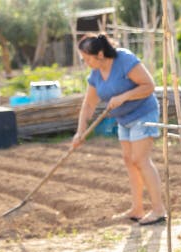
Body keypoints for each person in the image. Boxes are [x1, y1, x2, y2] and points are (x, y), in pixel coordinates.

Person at [74, 33, 167, 226]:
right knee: (128, 160)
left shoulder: (124, 60)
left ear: (99, 54)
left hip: (144, 113)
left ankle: (159, 210)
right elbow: (88, 105)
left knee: (140, 159)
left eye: (86, 58)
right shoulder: (96, 74)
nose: (85, 63)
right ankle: (137, 209)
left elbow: (149, 86)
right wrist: (80, 131)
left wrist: (124, 96)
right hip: (124, 119)